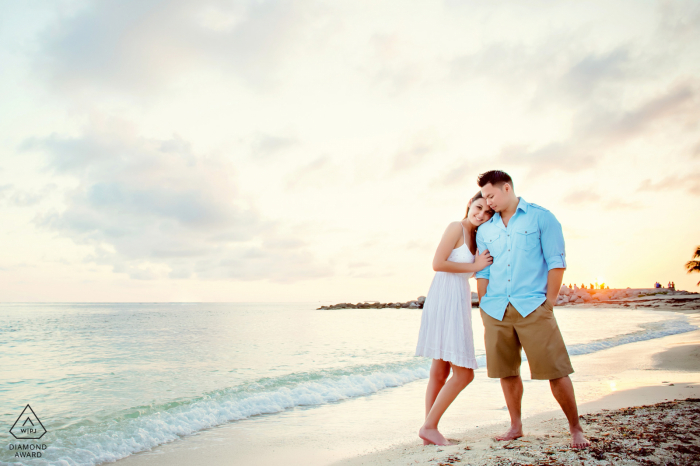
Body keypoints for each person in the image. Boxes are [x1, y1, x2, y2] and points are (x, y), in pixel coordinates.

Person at [474, 170, 590, 449]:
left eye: (491, 195)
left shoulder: (541, 217)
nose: (488, 202)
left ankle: (575, 428)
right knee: (506, 371)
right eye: (484, 197)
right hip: (496, 309)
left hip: (533, 307)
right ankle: (516, 426)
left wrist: (548, 303)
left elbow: (556, 261)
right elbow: (484, 270)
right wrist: (484, 304)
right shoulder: (486, 229)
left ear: (507, 187)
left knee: (556, 370)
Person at [415, 191, 494, 446]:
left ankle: (429, 432)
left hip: (456, 299)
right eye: (479, 207)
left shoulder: (477, 236)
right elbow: (437, 263)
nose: (481, 214)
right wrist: (475, 266)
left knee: (440, 372)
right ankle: (429, 427)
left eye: (487, 213)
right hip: (445, 299)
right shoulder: (456, 227)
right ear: (470, 203)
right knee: (465, 374)